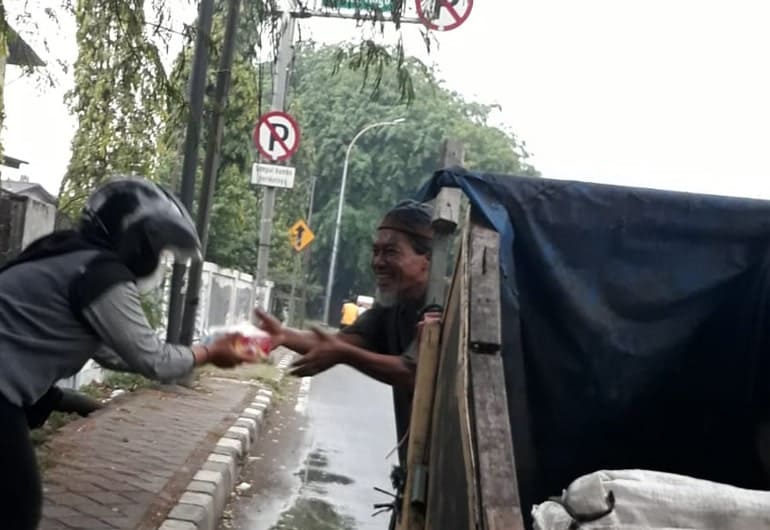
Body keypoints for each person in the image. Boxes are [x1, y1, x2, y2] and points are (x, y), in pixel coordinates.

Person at [0, 177, 259, 530]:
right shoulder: (101, 273)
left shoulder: (67, 254)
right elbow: (150, 358)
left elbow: (112, 353)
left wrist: (73, 402)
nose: (155, 256)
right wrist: (209, 352)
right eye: (155, 244)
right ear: (132, 236)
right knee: (18, 506)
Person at [256, 200, 442, 464]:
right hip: (416, 469)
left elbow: (413, 373)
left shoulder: (446, 306)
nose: (378, 262)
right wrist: (283, 336)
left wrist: (344, 354)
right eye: (375, 251)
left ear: (428, 259)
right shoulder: (392, 307)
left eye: (390, 252)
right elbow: (339, 342)